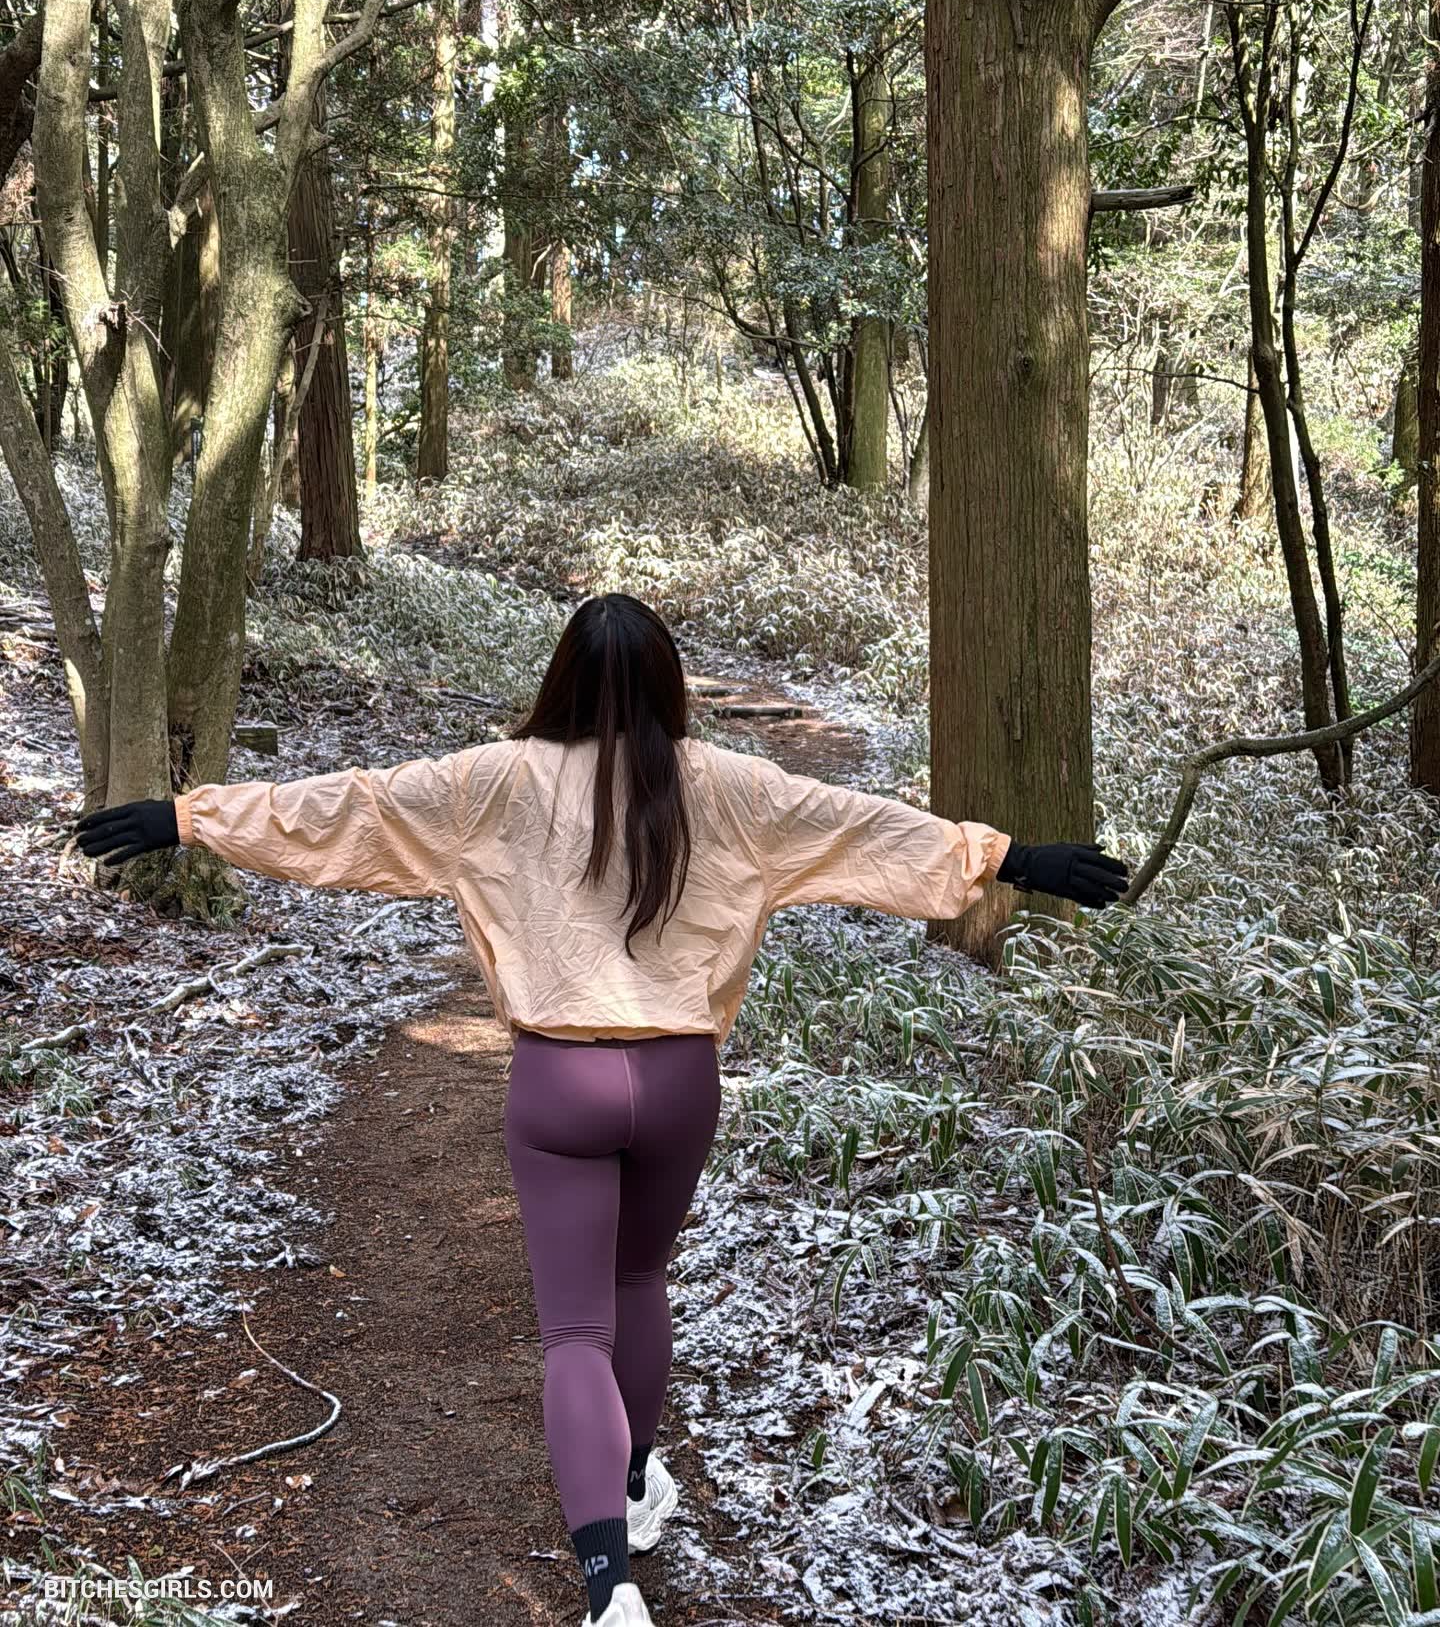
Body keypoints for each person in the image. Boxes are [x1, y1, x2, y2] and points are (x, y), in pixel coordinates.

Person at [74, 592, 1129, 1627]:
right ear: (670, 682)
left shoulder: (495, 780)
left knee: (575, 1331)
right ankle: (631, 1478)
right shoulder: (729, 785)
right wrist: (1010, 858)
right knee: (638, 1279)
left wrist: (189, 817)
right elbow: (860, 827)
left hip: (559, 1082)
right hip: (679, 1081)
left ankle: (608, 1587)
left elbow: (355, 807)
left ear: (561, 680)